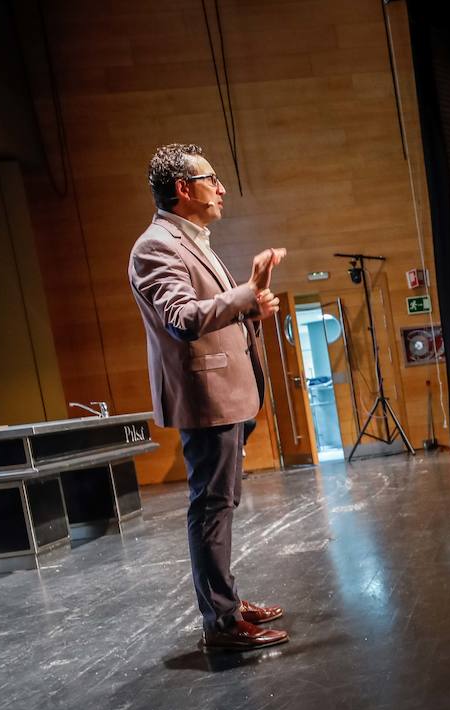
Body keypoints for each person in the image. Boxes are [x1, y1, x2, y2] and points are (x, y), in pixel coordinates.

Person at [129, 143, 288, 652]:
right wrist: (246, 292)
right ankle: (221, 623)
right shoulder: (156, 247)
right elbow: (182, 318)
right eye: (211, 179)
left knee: (221, 504)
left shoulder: (194, 240)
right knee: (211, 507)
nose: (221, 188)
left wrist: (251, 309)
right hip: (208, 399)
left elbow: (211, 313)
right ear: (183, 189)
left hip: (232, 396)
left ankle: (227, 602)